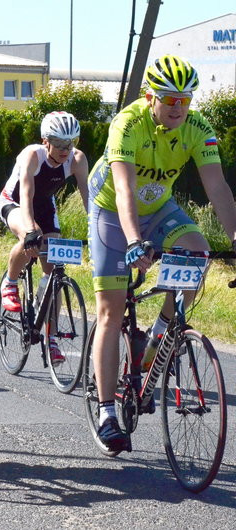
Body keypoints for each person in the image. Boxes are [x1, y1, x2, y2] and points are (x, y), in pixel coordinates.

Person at [87, 55, 236, 451]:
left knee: (199, 253)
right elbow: (124, 189)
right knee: (110, 310)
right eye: (169, 99)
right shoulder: (127, 123)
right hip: (112, 210)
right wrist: (134, 241)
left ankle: (157, 338)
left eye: (184, 100)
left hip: (159, 208)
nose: (177, 108)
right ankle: (106, 412)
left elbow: (217, 187)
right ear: (150, 96)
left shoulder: (198, 128)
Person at [0, 111, 89, 364]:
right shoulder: (32, 155)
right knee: (32, 236)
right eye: (59, 144)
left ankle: (51, 337)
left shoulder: (77, 159)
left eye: (71, 143)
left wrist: (100, 232)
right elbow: (26, 195)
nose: (66, 150)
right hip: (15, 202)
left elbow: (88, 199)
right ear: (45, 141)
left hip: (46, 206)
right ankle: (10, 282)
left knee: (55, 271)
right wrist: (29, 231)